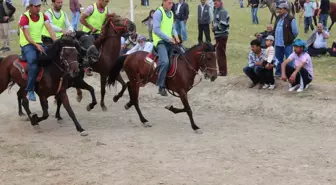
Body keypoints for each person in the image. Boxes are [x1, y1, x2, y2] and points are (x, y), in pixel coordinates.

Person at [19, 0, 57, 101]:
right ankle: (30, 89)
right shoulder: (24, 18)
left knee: (52, 57)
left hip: (38, 43)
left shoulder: (43, 16)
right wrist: (36, 45)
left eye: (39, 6)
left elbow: (50, 30)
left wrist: (57, 43)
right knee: (33, 62)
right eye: (36, 6)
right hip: (27, 45)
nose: (38, 8)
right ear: (30, 6)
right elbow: (27, 36)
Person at [152, 0, 180, 96]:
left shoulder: (171, 13)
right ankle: (161, 85)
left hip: (169, 41)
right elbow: (156, 29)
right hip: (160, 42)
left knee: (182, 54)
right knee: (165, 62)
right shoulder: (158, 13)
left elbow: (173, 27)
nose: (171, 5)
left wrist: (176, 35)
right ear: (163, 2)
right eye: (169, 3)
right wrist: (168, 38)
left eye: (172, 3)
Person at [273, 3, 298, 77]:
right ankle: (278, 73)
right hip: (277, 43)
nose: (279, 10)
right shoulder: (278, 18)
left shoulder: (291, 19)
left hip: (287, 44)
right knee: (278, 59)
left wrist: (290, 39)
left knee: (289, 59)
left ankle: (290, 74)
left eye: (281, 9)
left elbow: (295, 32)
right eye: (279, 9)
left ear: (286, 10)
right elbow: (275, 29)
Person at [213, 0, 230, 76]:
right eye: (214, 3)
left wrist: (214, 28)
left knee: (221, 53)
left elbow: (223, 25)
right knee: (219, 53)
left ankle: (223, 71)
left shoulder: (222, 12)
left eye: (216, 2)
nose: (215, 4)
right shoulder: (217, 11)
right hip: (218, 35)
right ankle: (222, 70)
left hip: (222, 35)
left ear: (221, 2)